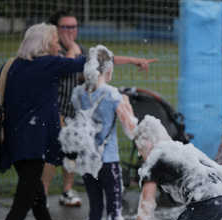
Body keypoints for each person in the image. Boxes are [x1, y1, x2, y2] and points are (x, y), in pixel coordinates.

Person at [43, 9, 156, 207]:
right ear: (55, 30)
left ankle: (67, 191)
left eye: (74, 27)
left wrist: (133, 60)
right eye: (65, 27)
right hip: (54, 109)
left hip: (74, 110)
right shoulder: (51, 49)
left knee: (73, 152)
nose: (70, 31)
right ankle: (41, 194)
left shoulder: (79, 49)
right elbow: (67, 65)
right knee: (52, 155)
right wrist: (72, 49)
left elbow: (102, 60)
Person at [0, 23, 81, 220]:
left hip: (13, 140)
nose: (57, 45)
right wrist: (73, 46)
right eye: (55, 40)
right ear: (44, 44)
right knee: (23, 200)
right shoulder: (47, 64)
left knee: (36, 196)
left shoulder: (11, 66)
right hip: (33, 144)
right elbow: (78, 64)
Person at [63, 46, 133, 220]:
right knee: (114, 206)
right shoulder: (113, 95)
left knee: (95, 206)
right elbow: (131, 129)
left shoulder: (78, 93)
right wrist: (127, 105)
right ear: (108, 70)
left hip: (87, 160)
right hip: (109, 159)